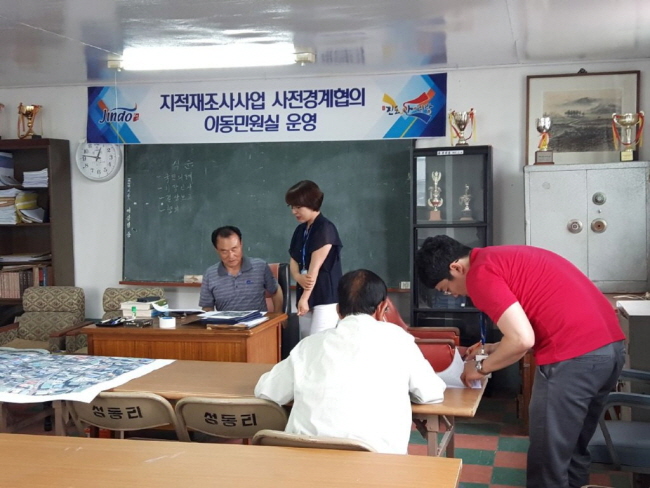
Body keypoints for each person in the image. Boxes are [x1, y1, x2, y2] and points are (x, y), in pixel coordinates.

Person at [415, 235, 625, 488]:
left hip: (574, 359)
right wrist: (494, 347)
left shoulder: (480, 274)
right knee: (571, 451)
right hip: (609, 351)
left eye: (447, 289)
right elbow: (533, 324)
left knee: (547, 460)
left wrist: (479, 368)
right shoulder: (501, 258)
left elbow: (522, 340)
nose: (452, 295)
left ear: (456, 268)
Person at [255, 269, 446, 454]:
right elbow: (431, 393)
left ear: (338, 310)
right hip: (378, 466)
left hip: (306, 464)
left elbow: (267, 390)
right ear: (382, 308)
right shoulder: (399, 340)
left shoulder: (309, 345)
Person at [285, 180, 343, 338]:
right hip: (305, 292)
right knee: (306, 341)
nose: (294, 212)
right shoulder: (300, 229)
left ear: (311, 204)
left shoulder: (325, 228)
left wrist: (304, 298)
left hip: (325, 296)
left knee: (318, 342)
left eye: (298, 207)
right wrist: (297, 277)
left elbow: (314, 268)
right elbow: (294, 259)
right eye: (292, 207)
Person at [199, 225, 282, 312]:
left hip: (257, 320)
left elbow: (276, 291)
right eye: (224, 251)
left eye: (234, 249)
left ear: (241, 244)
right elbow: (207, 307)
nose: (231, 256)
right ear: (216, 250)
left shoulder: (260, 267)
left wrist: (278, 316)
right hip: (226, 320)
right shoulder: (210, 274)